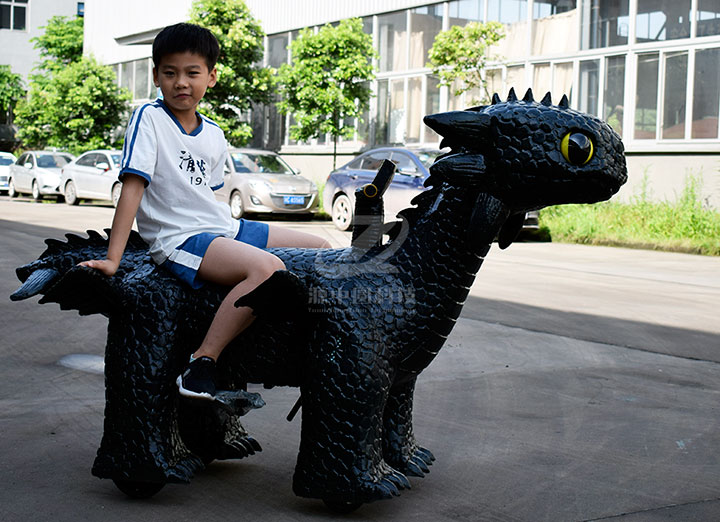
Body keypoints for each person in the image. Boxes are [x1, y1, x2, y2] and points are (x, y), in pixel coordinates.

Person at [80, 23, 330, 400]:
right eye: (170, 72)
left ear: (211, 77)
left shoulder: (213, 132)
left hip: (221, 226)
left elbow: (207, 195)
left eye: (192, 73)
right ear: (155, 76)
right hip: (179, 237)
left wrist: (229, 232)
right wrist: (113, 259)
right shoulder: (149, 118)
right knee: (267, 269)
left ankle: (306, 339)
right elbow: (132, 189)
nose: (181, 82)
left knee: (323, 247)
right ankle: (202, 362)